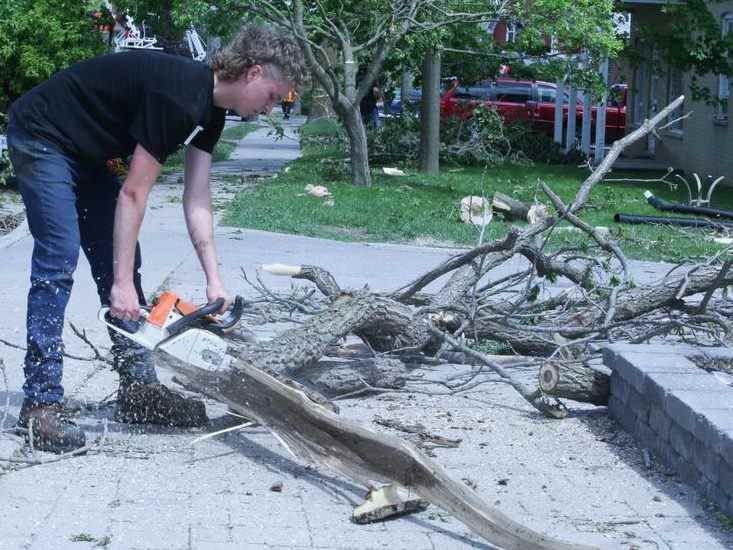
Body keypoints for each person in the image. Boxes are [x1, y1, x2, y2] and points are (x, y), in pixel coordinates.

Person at [6, 25, 306, 453]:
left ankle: (138, 392)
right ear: (254, 73)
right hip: (42, 134)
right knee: (60, 256)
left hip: (83, 152)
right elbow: (134, 193)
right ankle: (39, 405)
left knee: (123, 262)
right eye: (274, 97)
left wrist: (214, 281)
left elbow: (197, 197)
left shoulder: (211, 112)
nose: (272, 108)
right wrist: (121, 285)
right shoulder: (180, 96)